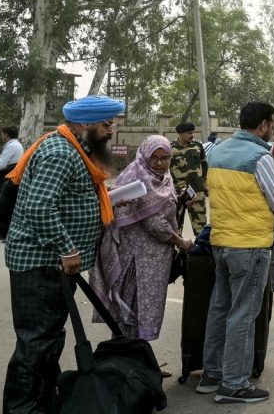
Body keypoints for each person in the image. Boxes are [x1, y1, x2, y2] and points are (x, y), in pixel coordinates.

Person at [3, 95, 125, 413]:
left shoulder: (75, 150)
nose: (111, 130)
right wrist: (67, 248)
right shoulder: (60, 152)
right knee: (36, 343)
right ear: (85, 124)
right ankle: (21, 408)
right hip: (40, 262)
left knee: (48, 340)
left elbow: (64, 196)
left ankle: (43, 403)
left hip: (54, 264)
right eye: (107, 124)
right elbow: (39, 206)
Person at [197, 102, 274, 404]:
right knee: (243, 313)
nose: (271, 129)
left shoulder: (217, 152)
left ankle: (211, 374)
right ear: (264, 125)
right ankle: (234, 383)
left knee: (220, 308)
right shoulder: (259, 157)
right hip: (250, 245)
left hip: (221, 242)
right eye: (271, 124)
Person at [88, 136, 193, 373]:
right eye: (154, 158)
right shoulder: (136, 175)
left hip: (154, 259)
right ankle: (127, 367)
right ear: (144, 156)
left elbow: (164, 208)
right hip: (137, 258)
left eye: (165, 158)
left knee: (141, 311)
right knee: (132, 311)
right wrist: (181, 242)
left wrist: (181, 199)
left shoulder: (163, 177)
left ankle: (138, 363)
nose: (159, 163)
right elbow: (154, 223)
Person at [171, 122, 209, 235]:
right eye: (189, 133)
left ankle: (201, 244)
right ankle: (178, 245)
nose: (192, 135)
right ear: (180, 134)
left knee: (200, 223)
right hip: (178, 191)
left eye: (192, 132)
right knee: (176, 223)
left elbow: (204, 166)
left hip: (197, 190)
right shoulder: (171, 148)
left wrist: (206, 184)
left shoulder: (198, 146)